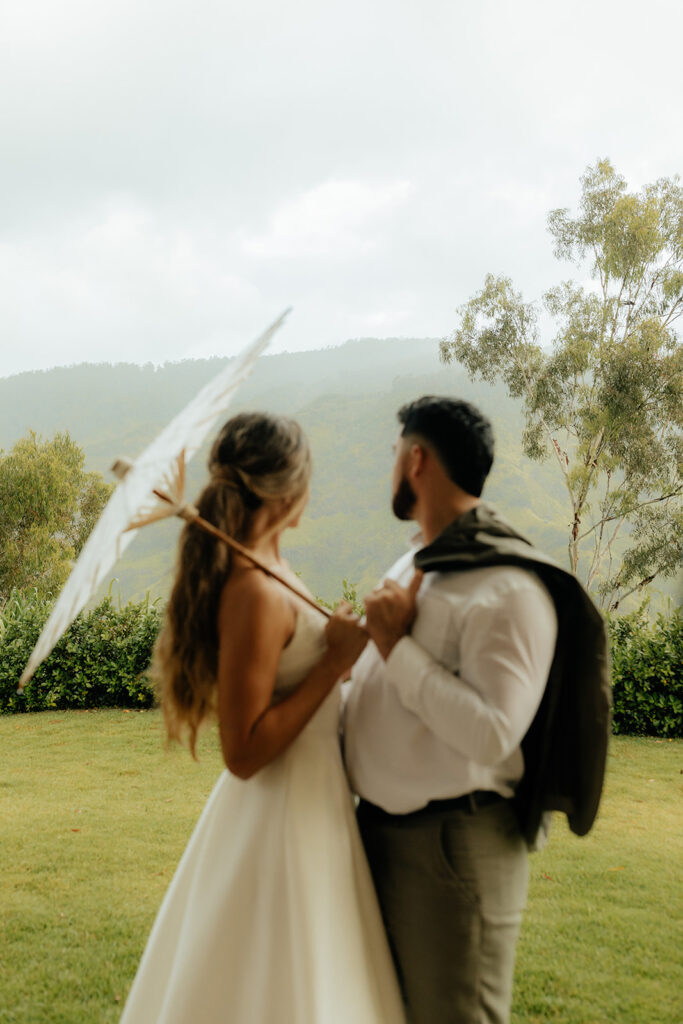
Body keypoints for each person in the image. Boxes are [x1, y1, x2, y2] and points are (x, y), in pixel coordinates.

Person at [120, 412, 405, 1024]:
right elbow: (243, 753)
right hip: (278, 820)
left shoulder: (272, 570)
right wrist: (332, 664)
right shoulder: (251, 589)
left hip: (315, 805)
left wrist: (338, 660)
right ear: (288, 488)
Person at [344, 396, 610, 1024]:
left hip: (452, 850)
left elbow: (494, 733)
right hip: (378, 835)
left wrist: (393, 645)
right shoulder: (415, 566)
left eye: (394, 456)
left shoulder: (509, 587)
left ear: (416, 460)